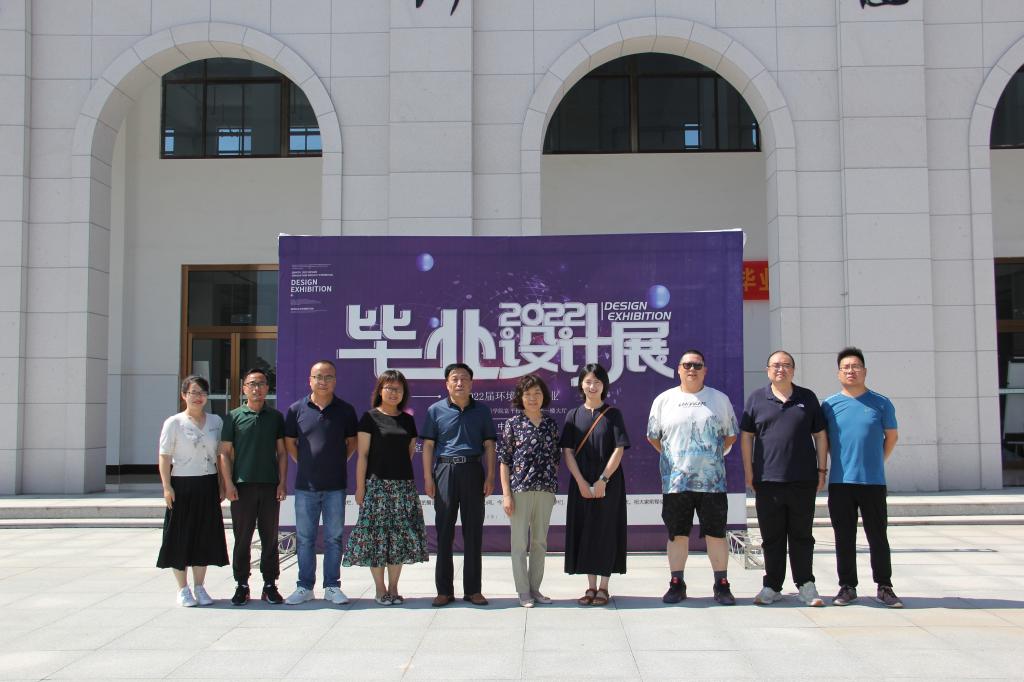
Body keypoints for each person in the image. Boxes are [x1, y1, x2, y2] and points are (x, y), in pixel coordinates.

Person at [646, 350, 738, 606]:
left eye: (697, 365)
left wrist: (710, 458)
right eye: (687, 365)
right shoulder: (664, 400)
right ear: (679, 369)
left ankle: (721, 584)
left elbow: (731, 435)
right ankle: (677, 583)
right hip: (676, 483)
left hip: (713, 483)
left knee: (716, 534)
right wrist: (677, 459)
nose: (692, 369)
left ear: (705, 370)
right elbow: (654, 437)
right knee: (677, 534)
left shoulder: (719, 399)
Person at [740, 350, 829, 607]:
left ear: (793, 370)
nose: (781, 369)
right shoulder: (757, 398)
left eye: (786, 365)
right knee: (772, 537)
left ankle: (806, 585)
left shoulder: (807, 397)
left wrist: (822, 470)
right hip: (767, 481)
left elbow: (820, 435)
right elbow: (747, 437)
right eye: (776, 365)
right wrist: (749, 471)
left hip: (803, 479)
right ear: (767, 370)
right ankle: (772, 586)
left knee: (802, 536)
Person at [823, 347, 902, 608]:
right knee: (843, 537)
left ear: (865, 371)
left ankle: (884, 586)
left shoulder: (881, 403)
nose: (851, 371)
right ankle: (847, 586)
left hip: (873, 482)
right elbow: (825, 441)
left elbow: (891, 437)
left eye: (856, 366)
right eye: (846, 367)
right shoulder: (829, 405)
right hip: (841, 482)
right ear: (838, 373)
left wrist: (877, 461)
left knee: (877, 536)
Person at [343, 370, 428, 605]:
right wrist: (360, 487)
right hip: (376, 486)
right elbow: (362, 455)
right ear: (380, 390)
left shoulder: (407, 420)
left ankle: (394, 588)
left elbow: (409, 452)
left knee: (398, 538)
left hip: (403, 487)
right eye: (389, 388)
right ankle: (380, 589)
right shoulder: (369, 418)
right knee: (377, 539)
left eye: (398, 389)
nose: (393, 393)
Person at [283, 360, 358, 605]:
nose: (323, 381)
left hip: (336, 485)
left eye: (328, 377)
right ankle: (305, 586)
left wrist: (337, 461)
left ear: (335, 380)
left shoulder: (345, 410)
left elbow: (352, 442)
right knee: (305, 538)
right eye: (318, 377)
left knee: (333, 538)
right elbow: (290, 442)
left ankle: (332, 586)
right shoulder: (296, 409)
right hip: (306, 486)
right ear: (310, 380)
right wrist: (305, 462)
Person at [422, 363, 497, 607]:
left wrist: (490, 477)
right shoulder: (435, 410)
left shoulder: (482, 411)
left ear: (471, 383)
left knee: (473, 531)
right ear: (447, 384)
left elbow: (489, 445)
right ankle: (444, 590)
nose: (459, 383)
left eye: (464, 378)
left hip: (473, 470)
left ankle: (473, 590)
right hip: (445, 470)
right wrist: (428, 478)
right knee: (444, 531)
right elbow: (428, 446)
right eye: (454, 378)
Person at [156, 375, 229, 607]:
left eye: (202, 393)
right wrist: (167, 486)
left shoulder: (216, 421)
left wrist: (221, 483)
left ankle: (200, 586)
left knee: (203, 536)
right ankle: (182, 588)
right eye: (193, 392)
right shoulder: (174, 423)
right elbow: (164, 456)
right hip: (182, 484)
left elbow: (220, 454)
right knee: (180, 536)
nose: (198, 397)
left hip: (207, 483)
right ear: (184, 395)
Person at [561, 363, 629, 607]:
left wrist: (603, 480)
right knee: (585, 531)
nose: (592, 386)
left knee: (606, 531)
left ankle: (604, 587)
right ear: (581, 384)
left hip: (609, 482)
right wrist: (581, 482)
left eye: (597, 382)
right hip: (580, 481)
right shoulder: (573, 415)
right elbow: (567, 452)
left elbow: (619, 449)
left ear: (604, 385)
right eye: (588, 382)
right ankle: (590, 586)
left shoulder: (613, 414)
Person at [219, 367, 288, 606]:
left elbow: (282, 453)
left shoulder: (275, 417)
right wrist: (228, 483)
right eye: (252, 384)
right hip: (242, 486)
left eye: (261, 384)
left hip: (269, 486)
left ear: (267, 388)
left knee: (270, 537)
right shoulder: (233, 417)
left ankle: (270, 584)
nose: (256, 388)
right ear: (244, 389)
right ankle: (242, 584)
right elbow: (224, 453)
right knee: (242, 538)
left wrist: (282, 482)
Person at [498, 374, 561, 608]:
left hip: (545, 490)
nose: (533, 398)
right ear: (520, 397)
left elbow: (556, 459)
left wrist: (550, 487)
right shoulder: (513, 424)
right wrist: (507, 494)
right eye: (527, 394)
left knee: (539, 542)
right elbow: (504, 461)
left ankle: (535, 588)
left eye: (537, 393)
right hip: (520, 490)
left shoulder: (550, 424)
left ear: (544, 396)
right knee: (518, 543)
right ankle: (523, 591)